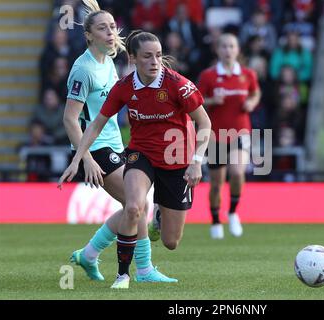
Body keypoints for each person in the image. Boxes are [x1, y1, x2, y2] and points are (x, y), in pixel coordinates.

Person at [59, 30, 211, 289]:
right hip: (140, 155)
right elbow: (96, 124)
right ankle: (123, 275)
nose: (155, 62)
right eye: (148, 56)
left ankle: (160, 214)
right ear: (133, 58)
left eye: (159, 56)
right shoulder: (125, 87)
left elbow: (205, 123)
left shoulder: (179, 85)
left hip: (176, 160)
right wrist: (78, 158)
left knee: (171, 242)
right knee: (133, 207)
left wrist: (196, 161)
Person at [59, 0, 168, 289]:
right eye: (102, 28)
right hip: (95, 149)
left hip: (117, 144)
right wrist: (86, 160)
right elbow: (70, 119)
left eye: (112, 27)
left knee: (132, 205)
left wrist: (100, 13)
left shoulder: (107, 58)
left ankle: (89, 254)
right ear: (88, 35)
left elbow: (126, 45)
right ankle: (142, 268)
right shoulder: (83, 70)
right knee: (138, 204)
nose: (110, 33)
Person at [197, 33, 261, 239]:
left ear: (238, 50)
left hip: (240, 131)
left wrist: (252, 102)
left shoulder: (247, 74)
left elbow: (255, 92)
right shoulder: (208, 76)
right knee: (216, 183)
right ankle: (216, 220)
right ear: (218, 50)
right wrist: (213, 100)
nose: (228, 50)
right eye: (224, 46)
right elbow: (197, 102)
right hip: (216, 136)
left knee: (237, 172)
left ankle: (233, 212)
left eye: (231, 46)